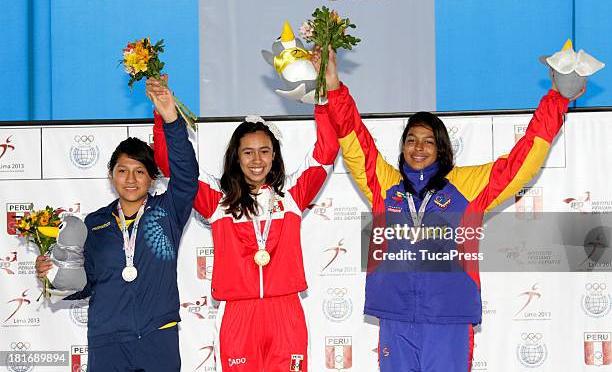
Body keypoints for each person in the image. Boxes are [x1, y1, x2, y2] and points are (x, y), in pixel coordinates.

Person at [314, 46, 586, 372]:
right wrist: (333, 88)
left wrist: (556, 101)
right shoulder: (386, 185)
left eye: (428, 141)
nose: (418, 147)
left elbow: (522, 164)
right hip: (396, 315)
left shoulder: (467, 186)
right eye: (412, 139)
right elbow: (355, 141)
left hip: (449, 316)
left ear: (441, 147)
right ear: (403, 146)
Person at [148, 77, 339, 371]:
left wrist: (324, 98)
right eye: (248, 152)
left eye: (264, 151)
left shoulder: (292, 195)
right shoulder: (217, 200)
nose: (256, 160)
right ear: (236, 157)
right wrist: (164, 117)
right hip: (238, 313)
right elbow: (174, 166)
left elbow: (325, 152)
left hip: (285, 310)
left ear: (274, 156)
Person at [35, 83, 199, 371]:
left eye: (140, 171)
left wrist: (172, 120)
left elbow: (186, 174)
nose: (131, 179)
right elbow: (83, 285)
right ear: (111, 176)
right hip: (107, 340)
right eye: (122, 170)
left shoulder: (168, 210)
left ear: (152, 178)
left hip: (157, 336)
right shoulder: (95, 223)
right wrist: (54, 277)